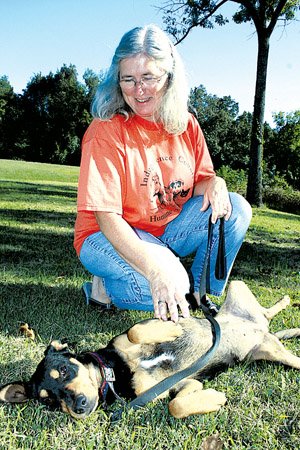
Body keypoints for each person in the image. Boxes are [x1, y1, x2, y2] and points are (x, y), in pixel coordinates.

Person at [74, 24, 252, 323]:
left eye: (148, 78)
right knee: (167, 287)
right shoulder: (105, 130)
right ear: (116, 81)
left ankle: (199, 295)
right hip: (104, 234)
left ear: (169, 78)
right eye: (128, 79)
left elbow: (200, 182)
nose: (138, 90)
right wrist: (156, 271)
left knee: (236, 209)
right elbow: (106, 217)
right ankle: (104, 286)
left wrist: (216, 183)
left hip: (166, 230)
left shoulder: (186, 124)